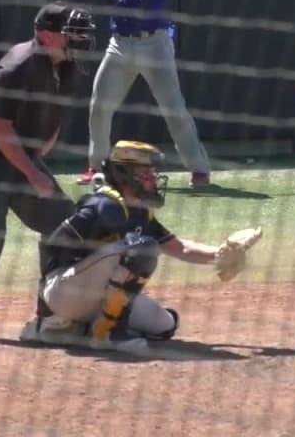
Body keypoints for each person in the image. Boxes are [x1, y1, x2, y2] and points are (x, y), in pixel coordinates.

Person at [19, 140, 261, 353]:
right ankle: (101, 332)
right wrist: (46, 309)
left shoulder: (141, 213)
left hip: (94, 295)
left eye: (152, 174)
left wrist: (221, 253)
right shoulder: (103, 205)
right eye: (146, 175)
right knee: (142, 248)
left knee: (165, 325)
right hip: (64, 292)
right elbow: (52, 243)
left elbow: (180, 248)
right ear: (125, 175)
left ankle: (80, 328)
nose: (153, 180)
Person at [0, 3, 97, 341]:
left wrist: (39, 153)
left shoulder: (67, 66)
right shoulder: (17, 66)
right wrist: (33, 174)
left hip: (21, 154)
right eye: (72, 31)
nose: (80, 38)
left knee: (65, 224)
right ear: (47, 34)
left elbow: (55, 114)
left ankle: (52, 312)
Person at [72, 0, 212, 188]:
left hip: (154, 44)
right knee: (99, 106)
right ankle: (95, 166)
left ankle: (199, 169)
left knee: (174, 108)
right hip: (120, 44)